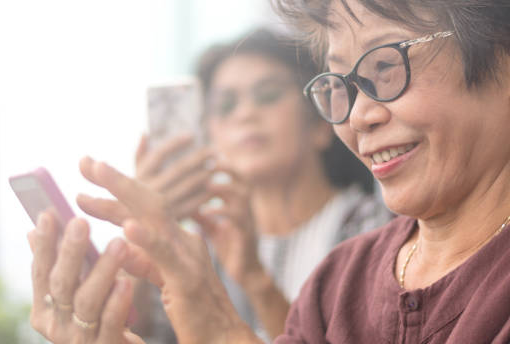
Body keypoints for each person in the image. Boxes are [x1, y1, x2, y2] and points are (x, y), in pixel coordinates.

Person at [26, 0, 510, 343]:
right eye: (339, 84)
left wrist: (214, 322)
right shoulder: (339, 280)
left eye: (385, 66)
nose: (358, 116)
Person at [128, 28, 390, 343]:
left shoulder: (374, 227)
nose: (245, 114)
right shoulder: (203, 247)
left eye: (267, 95)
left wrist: (254, 277)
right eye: (226, 105)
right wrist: (141, 234)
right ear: (209, 136)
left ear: (322, 122)